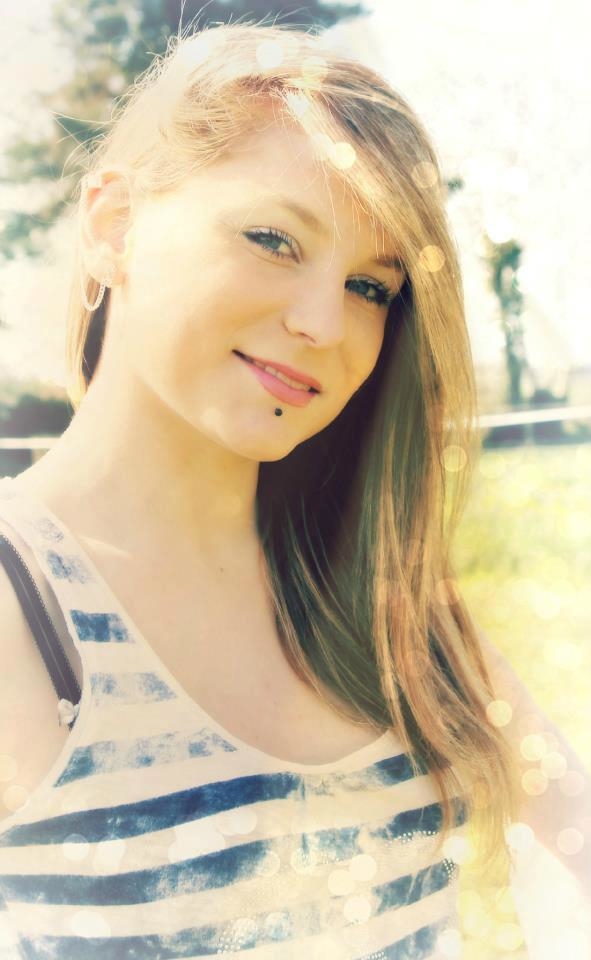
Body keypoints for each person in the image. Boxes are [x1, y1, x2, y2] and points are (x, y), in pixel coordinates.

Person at [0, 20, 588, 959]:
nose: (325, 323)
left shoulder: (373, 592)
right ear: (114, 226)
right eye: (273, 239)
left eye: (370, 287)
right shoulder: (23, 609)